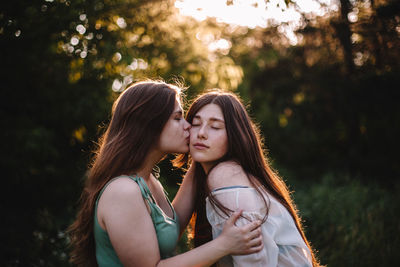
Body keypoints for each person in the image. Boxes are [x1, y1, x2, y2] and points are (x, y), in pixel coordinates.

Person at [67, 81, 264, 267]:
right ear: (149, 125)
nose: (188, 126)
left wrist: (205, 151)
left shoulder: (147, 181)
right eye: (178, 118)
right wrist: (224, 244)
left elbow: (171, 230)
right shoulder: (123, 191)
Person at [174, 90, 320, 267]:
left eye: (215, 127)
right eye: (196, 124)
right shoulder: (224, 174)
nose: (202, 133)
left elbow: (254, 262)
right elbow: (171, 229)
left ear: (234, 135)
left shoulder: (225, 175)